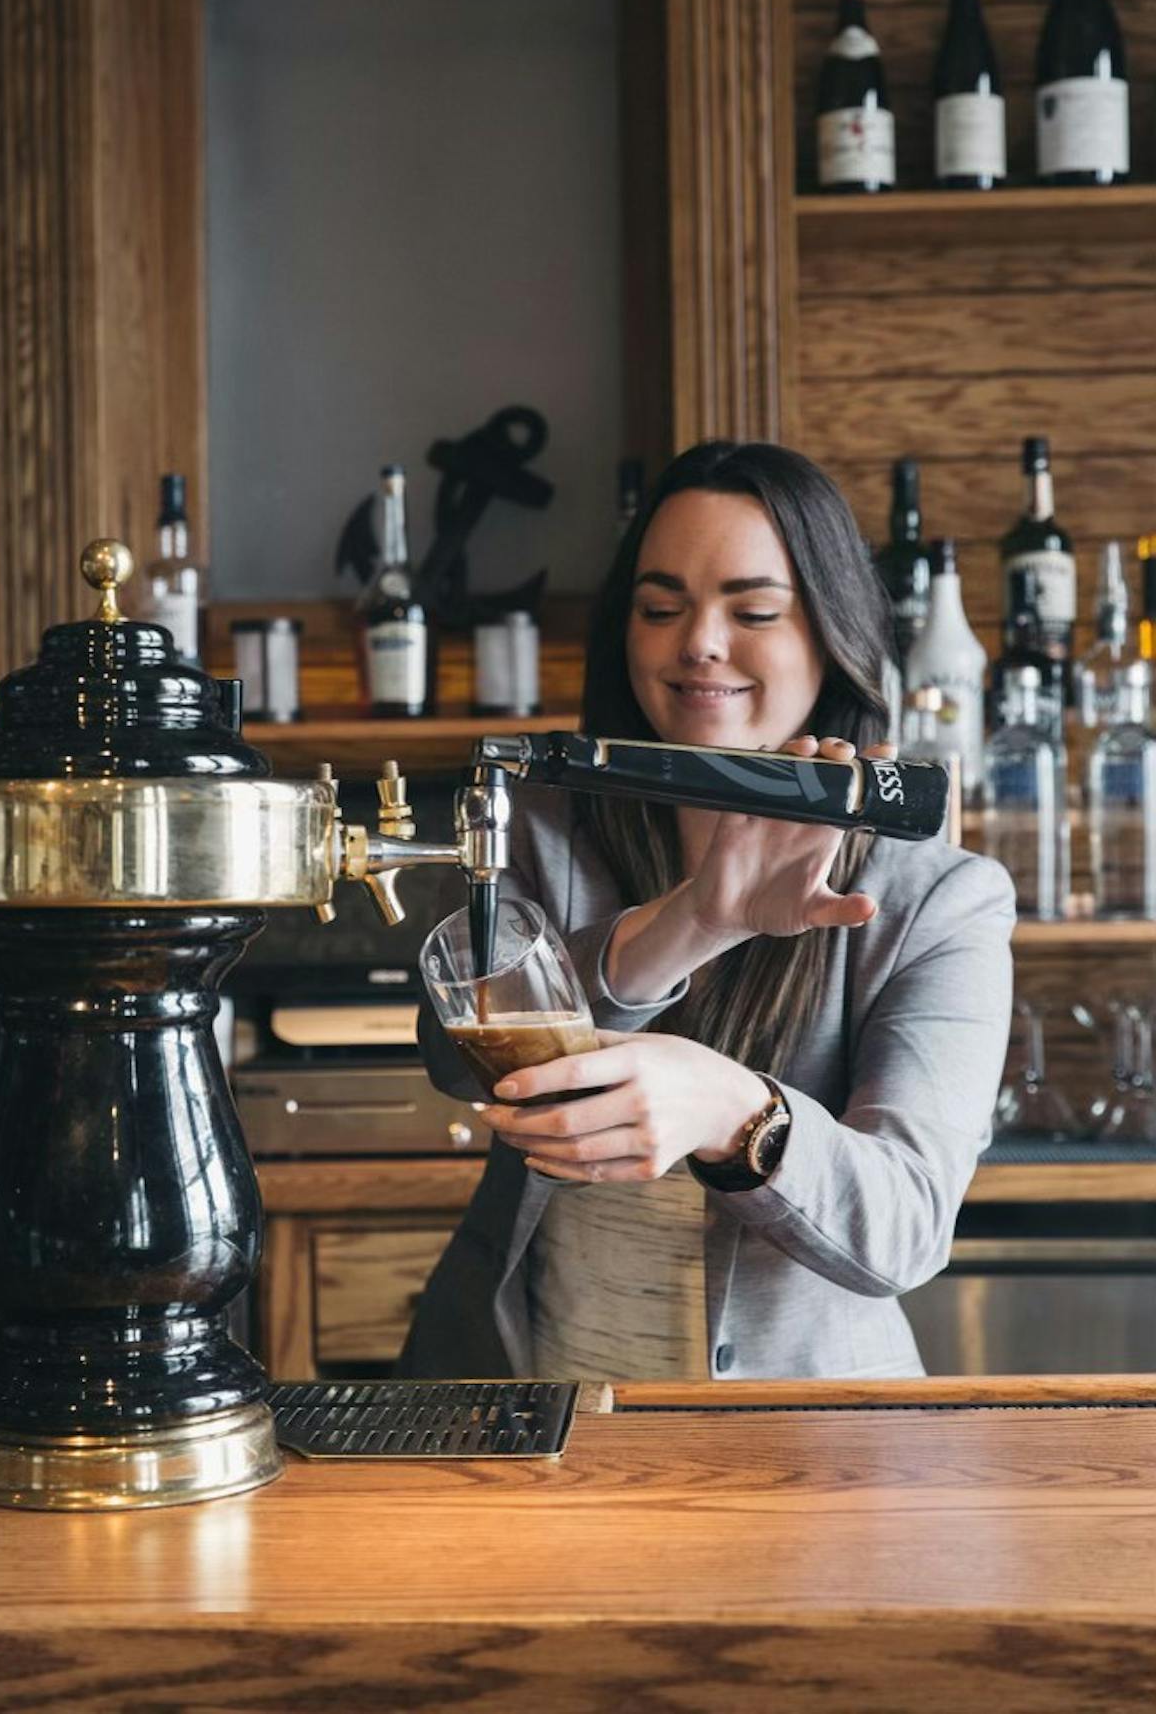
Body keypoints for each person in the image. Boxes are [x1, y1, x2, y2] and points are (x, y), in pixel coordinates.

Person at [400, 441, 1014, 1381]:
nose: (698, 643)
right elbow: (455, 1055)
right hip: (537, 1400)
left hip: (806, 1445)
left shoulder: (937, 897)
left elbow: (908, 1227)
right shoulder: (537, 824)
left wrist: (736, 1112)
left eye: (754, 609)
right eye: (660, 608)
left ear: (832, 636)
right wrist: (694, 919)